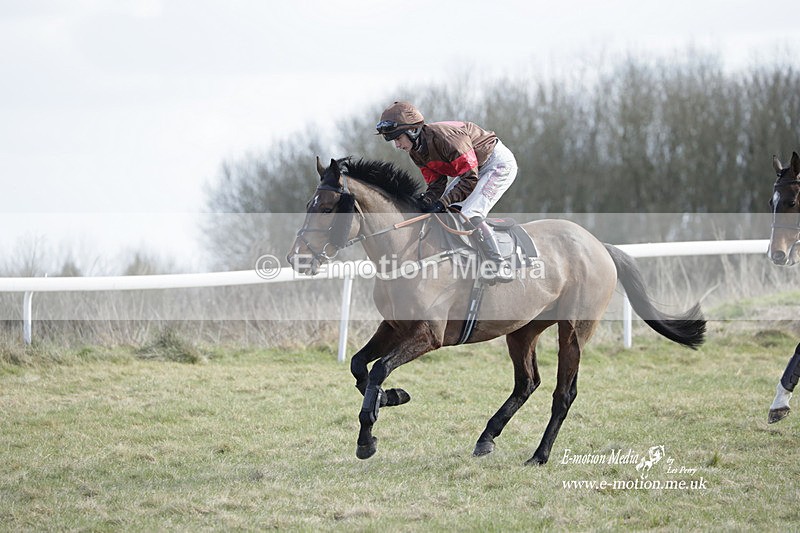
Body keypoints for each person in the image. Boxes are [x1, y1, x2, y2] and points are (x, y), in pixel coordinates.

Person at [376, 101, 518, 283]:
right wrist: (426, 201)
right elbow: (437, 183)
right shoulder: (415, 151)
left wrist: (441, 202)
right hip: (472, 169)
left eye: (397, 138)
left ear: (412, 131)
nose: (397, 145)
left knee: (469, 213)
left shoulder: (447, 139)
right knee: (445, 213)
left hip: (496, 164)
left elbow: (470, 179)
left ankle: (499, 264)